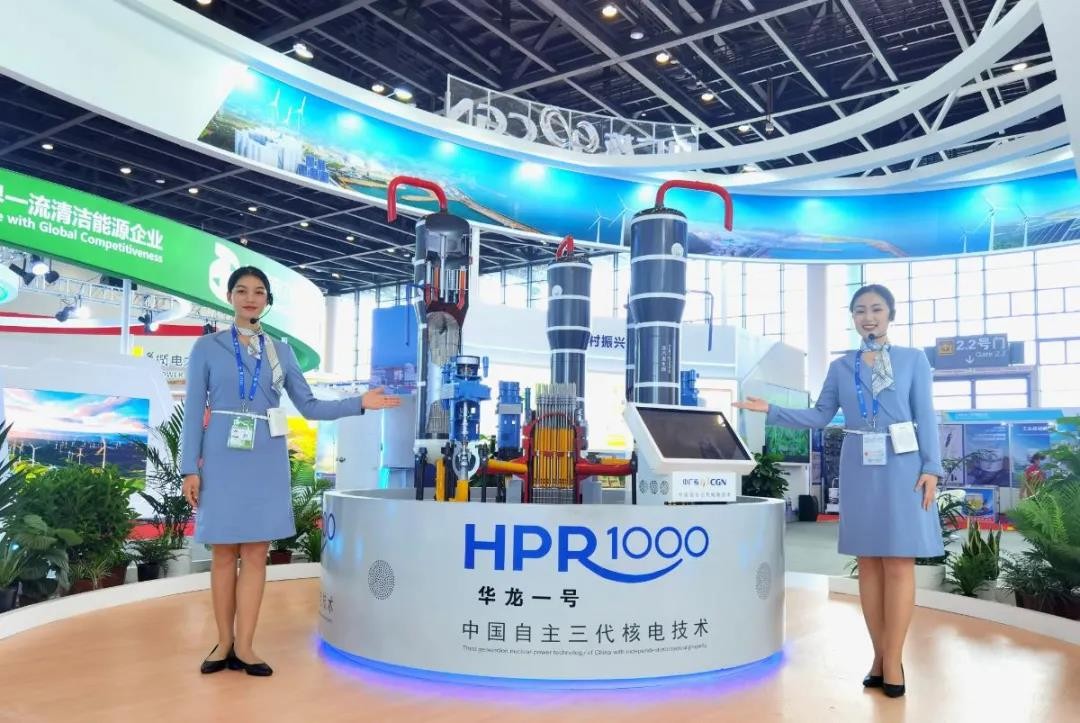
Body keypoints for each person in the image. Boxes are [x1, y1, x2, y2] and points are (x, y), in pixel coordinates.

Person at [180, 266, 400, 677]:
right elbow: (193, 410)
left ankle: (245, 646)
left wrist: (359, 402)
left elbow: (309, 406)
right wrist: (189, 468)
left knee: (256, 553)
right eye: (242, 290)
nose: (250, 298)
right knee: (223, 552)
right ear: (229, 297)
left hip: (266, 455)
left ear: (268, 300)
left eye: (259, 292)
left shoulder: (281, 351)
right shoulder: (207, 347)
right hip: (222, 455)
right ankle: (223, 642)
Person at [735, 283, 943, 699]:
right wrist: (771, 410)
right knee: (868, 562)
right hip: (859, 464)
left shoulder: (913, 360)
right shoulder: (841, 367)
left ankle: (894, 659)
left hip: (903, 464)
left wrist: (932, 468)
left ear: (891, 314)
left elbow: (926, 415)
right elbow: (819, 415)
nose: (869, 317)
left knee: (898, 562)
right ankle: (879, 657)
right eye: (860, 310)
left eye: (877, 309)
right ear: (853, 318)